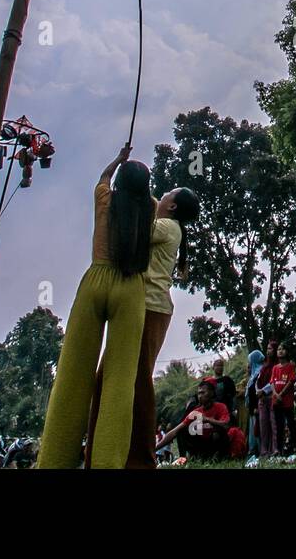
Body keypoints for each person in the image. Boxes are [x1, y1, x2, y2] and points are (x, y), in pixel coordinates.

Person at [37, 145, 151, 469]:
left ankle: (53, 460)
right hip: (131, 289)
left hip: (95, 279)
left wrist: (118, 158)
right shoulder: (150, 210)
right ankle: (107, 463)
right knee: (119, 383)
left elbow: (103, 177)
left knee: (73, 372)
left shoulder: (106, 199)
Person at [84, 184, 201, 468]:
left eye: (168, 194)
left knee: (136, 380)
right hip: (138, 305)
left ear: (172, 206)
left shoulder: (168, 227)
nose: (162, 196)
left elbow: (137, 231)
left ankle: (139, 459)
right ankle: (100, 453)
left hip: (150, 307)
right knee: (113, 376)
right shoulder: (167, 225)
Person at [156, 380, 232, 462]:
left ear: (212, 393)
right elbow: (175, 431)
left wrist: (208, 419)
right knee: (183, 430)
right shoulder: (195, 412)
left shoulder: (220, 407)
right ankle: (192, 457)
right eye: (199, 393)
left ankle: (218, 457)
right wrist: (155, 448)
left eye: (203, 393)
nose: (200, 396)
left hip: (217, 445)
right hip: (203, 446)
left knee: (218, 432)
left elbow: (226, 425)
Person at [270, 343, 296, 454]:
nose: (280, 351)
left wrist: (281, 394)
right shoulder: (275, 368)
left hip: (286, 401)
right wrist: (275, 394)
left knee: (291, 424)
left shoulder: (290, 366)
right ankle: (278, 449)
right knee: (278, 425)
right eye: (278, 349)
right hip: (276, 401)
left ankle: (295, 446)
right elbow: (272, 382)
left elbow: (291, 381)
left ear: (287, 352)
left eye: (283, 349)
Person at [256, 338, 279, 455]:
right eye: (267, 349)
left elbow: (274, 381)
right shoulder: (264, 365)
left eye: (270, 349)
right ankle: (264, 450)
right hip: (261, 399)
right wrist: (258, 390)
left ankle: (275, 449)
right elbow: (258, 380)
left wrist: (264, 391)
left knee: (273, 424)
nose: (268, 351)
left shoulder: (277, 365)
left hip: (271, 397)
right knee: (263, 425)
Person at [244, 347, 265, 454]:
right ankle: (255, 450)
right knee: (254, 430)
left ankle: (261, 450)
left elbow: (256, 391)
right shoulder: (253, 375)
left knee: (259, 430)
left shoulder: (259, 373)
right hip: (253, 408)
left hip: (258, 407)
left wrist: (256, 406)